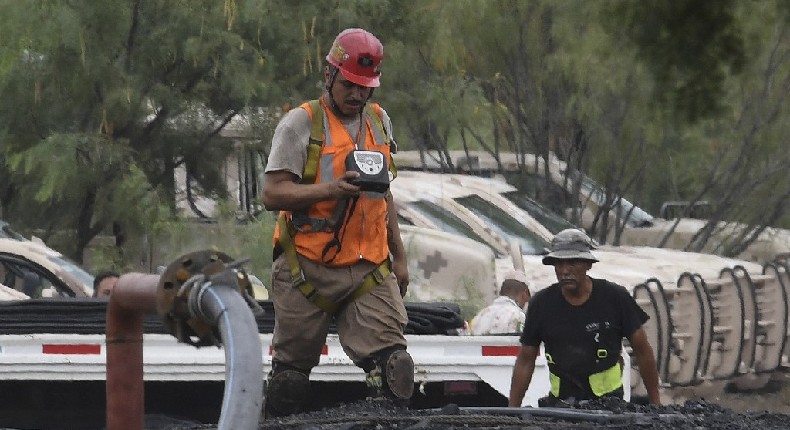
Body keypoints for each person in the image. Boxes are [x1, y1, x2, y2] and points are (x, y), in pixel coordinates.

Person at [261, 28, 413, 417]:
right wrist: (330, 190)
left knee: (396, 370)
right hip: (307, 268)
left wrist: (400, 257)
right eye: (350, 84)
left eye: (366, 87)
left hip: (368, 267)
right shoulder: (301, 123)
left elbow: (386, 195)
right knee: (289, 384)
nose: (358, 94)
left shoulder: (379, 122)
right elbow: (272, 194)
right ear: (330, 76)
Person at [508, 228, 661, 406]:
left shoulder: (614, 297)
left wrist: (655, 403)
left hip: (609, 406)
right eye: (559, 263)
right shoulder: (541, 304)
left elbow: (642, 351)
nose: (565, 270)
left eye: (572, 262)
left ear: (588, 264)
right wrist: (513, 410)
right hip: (561, 405)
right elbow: (526, 360)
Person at [469, 269, 530, 335]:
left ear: (501, 292)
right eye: (525, 301)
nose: (524, 305)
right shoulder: (518, 316)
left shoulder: (481, 314)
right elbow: (519, 343)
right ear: (523, 295)